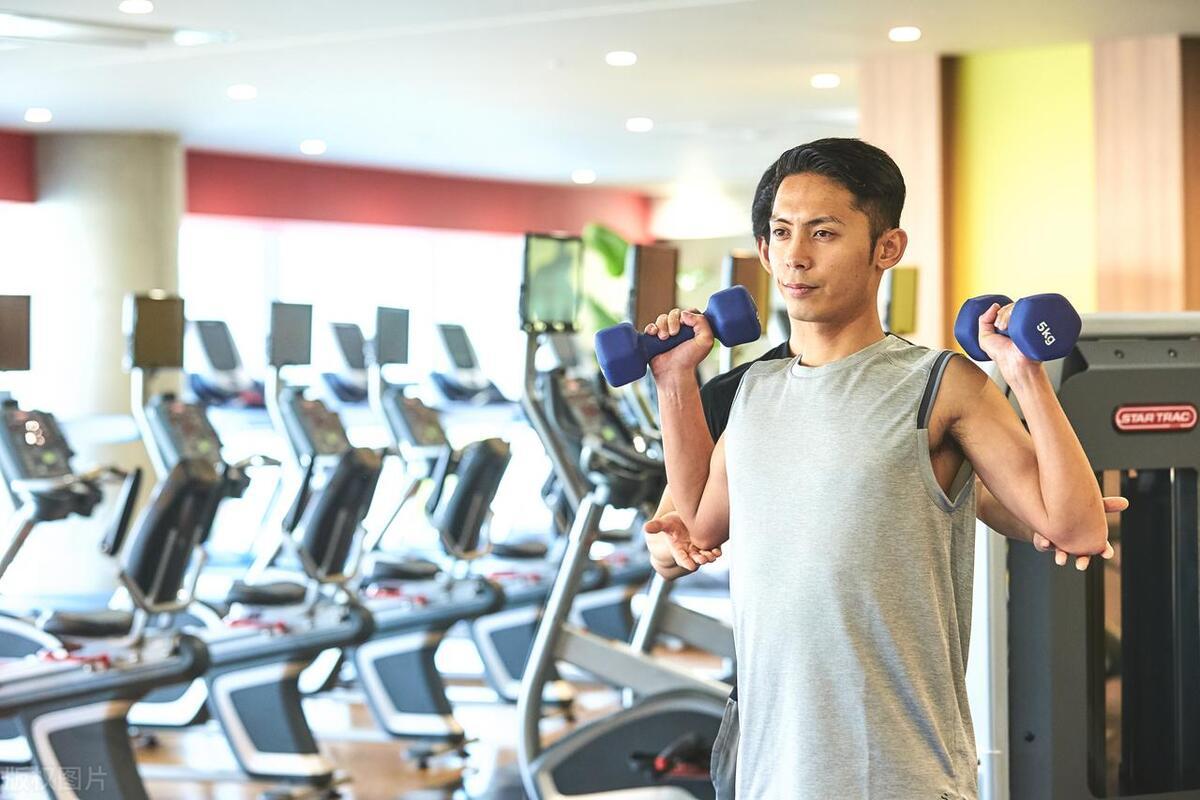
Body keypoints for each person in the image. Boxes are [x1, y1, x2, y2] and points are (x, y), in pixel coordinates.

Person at [640, 138, 1112, 798]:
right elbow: (693, 527)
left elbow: (1076, 527)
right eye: (782, 233)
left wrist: (1022, 370)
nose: (796, 256)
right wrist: (673, 381)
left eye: (823, 233)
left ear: (887, 248)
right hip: (768, 768)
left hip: (899, 772)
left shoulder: (941, 385)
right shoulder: (750, 394)